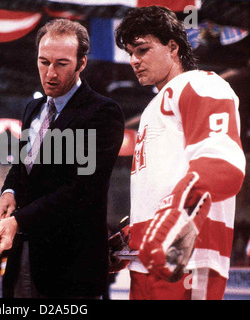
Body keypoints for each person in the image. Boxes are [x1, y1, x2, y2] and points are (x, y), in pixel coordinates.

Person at [114, 6, 246, 300]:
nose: (134, 60)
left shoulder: (201, 83)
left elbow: (224, 164)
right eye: (130, 52)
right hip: (143, 261)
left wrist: (174, 216)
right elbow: (162, 183)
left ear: (172, 46)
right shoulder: (152, 108)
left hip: (187, 258)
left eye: (143, 49)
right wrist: (130, 237)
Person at [0, 18, 125, 298]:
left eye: (61, 64)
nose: (50, 73)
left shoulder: (103, 113)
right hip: (23, 254)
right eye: (43, 62)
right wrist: (9, 191)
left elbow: (83, 190)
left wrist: (19, 221)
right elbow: (23, 165)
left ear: (81, 63)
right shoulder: (33, 108)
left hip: (71, 267)